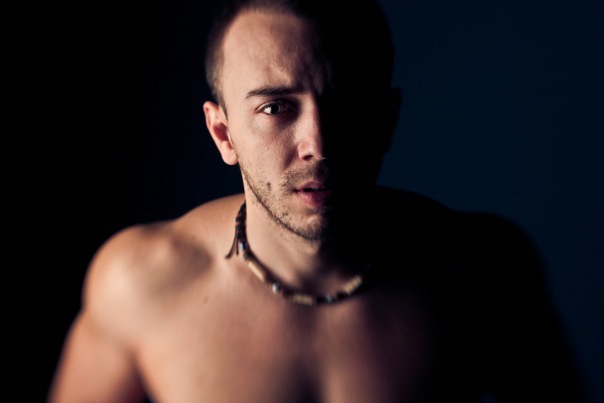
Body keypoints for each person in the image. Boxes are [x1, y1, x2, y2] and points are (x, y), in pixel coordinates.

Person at [47, 0, 589, 402]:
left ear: (386, 120)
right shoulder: (142, 282)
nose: (319, 145)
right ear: (223, 134)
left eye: (345, 103)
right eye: (276, 108)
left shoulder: (482, 274)